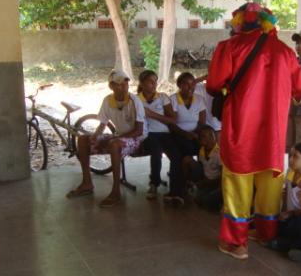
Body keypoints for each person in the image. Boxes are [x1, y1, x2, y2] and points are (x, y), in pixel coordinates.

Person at [207, 2, 301, 260]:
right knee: (269, 185)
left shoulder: (228, 47)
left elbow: (214, 84)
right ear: (267, 22)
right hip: (272, 136)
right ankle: (266, 234)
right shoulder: (286, 53)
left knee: (237, 186)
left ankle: (236, 243)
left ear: (240, 21)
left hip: (240, 129)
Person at [67, 70, 146, 208]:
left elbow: (139, 131)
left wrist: (117, 138)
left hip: (137, 138)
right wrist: (95, 135)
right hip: (120, 137)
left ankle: (116, 192)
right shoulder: (107, 101)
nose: (123, 86)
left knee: (115, 144)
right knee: (83, 140)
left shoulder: (135, 101)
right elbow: (102, 124)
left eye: (125, 82)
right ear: (112, 86)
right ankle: (87, 183)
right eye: (119, 84)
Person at [136, 70, 182, 201]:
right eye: (151, 81)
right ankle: (154, 183)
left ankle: (175, 189)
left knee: (176, 155)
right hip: (147, 134)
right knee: (156, 151)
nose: (154, 84)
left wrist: (152, 114)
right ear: (142, 83)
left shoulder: (162, 97)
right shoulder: (136, 99)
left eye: (155, 81)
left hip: (164, 133)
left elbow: (173, 120)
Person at [168, 72, 206, 205]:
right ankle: (179, 188)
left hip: (195, 134)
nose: (190, 87)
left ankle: (197, 181)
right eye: (186, 84)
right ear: (179, 85)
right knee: (180, 155)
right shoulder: (172, 99)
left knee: (205, 149)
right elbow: (172, 124)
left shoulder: (199, 99)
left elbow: (202, 122)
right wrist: (186, 134)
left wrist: (195, 133)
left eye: (192, 84)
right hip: (177, 135)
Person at [183, 125, 222, 211]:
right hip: (206, 179)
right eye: (202, 137)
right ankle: (186, 185)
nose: (206, 139)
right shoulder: (202, 150)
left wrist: (205, 183)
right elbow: (203, 166)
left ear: (214, 137)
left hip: (215, 183)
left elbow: (222, 177)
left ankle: (218, 202)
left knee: (204, 200)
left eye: (210, 136)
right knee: (187, 159)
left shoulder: (219, 154)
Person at [194, 75, 221, 140]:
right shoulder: (201, 87)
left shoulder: (225, 88)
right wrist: (202, 78)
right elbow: (187, 86)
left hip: (220, 127)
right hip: (207, 128)